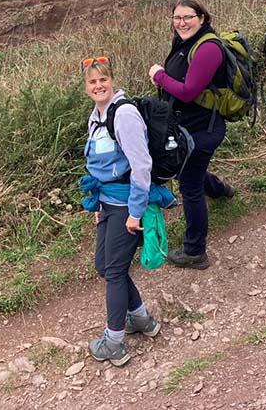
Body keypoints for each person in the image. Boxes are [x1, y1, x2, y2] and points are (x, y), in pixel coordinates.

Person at [80, 56, 164, 367]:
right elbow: (103, 167)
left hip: (127, 203)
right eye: (92, 81)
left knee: (114, 272)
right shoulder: (97, 115)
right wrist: (100, 206)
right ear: (87, 87)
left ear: (112, 80)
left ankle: (113, 342)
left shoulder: (124, 114)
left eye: (103, 79)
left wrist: (135, 212)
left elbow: (141, 166)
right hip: (108, 203)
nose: (98, 85)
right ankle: (141, 319)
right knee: (104, 266)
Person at [149, 0, 235, 270]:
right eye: (177, 17)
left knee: (190, 186)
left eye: (188, 17)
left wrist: (159, 75)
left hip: (202, 130)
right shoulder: (185, 43)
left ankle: (195, 250)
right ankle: (222, 190)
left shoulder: (208, 49)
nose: (182, 22)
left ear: (202, 18)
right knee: (191, 170)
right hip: (187, 127)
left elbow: (188, 92)